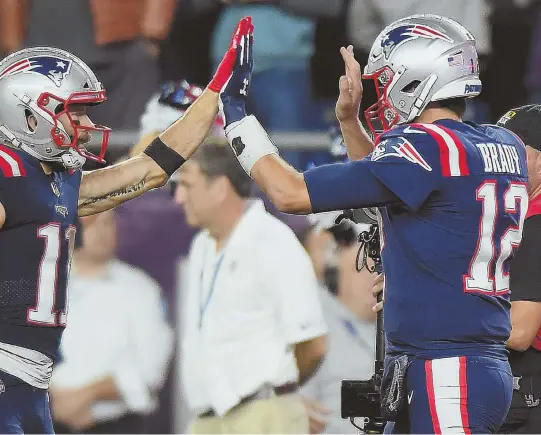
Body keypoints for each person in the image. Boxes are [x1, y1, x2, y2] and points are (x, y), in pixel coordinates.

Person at [219, 13, 529, 433]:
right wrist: (351, 122)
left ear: (417, 79)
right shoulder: (500, 143)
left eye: (385, 82)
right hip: (458, 362)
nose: (381, 95)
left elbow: (289, 193)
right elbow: (390, 184)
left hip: (447, 367)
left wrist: (235, 114)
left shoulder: (427, 147)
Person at [0, 16, 254, 433]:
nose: (87, 127)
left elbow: (150, 170)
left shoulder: (51, 180)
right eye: (76, 114)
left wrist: (217, 91)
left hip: (28, 380)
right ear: (30, 117)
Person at [174, 143, 328, 434]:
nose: (179, 198)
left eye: (186, 185)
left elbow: (313, 345)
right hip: (207, 417)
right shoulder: (201, 246)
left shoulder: (273, 242)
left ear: (220, 187)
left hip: (262, 416)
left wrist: (279, 394)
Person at [49, 210, 173, 434]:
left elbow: (151, 369)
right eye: (93, 222)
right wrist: (51, 398)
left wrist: (90, 394)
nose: (102, 231)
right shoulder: (45, 288)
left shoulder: (140, 290)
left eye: (108, 223)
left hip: (115, 426)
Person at [301, 213, 376, 434]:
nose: (375, 279)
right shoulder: (313, 318)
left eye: (381, 271)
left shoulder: (396, 325)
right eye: (365, 269)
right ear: (336, 270)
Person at [494, 105, 541, 434]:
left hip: (529, 388)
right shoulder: (518, 219)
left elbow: (520, 331)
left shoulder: (536, 226)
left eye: (513, 154)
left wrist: (436, 314)